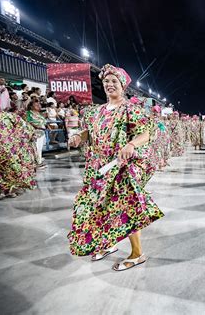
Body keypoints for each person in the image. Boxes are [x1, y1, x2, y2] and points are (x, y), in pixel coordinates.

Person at [67, 64, 164, 271]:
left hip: (120, 168)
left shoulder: (130, 109)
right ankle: (107, 243)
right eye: (106, 82)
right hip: (97, 168)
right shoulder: (98, 111)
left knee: (125, 209)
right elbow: (89, 131)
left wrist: (131, 144)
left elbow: (147, 133)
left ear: (123, 86)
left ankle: (137, 254)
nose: (109, 85)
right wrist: (78, 136)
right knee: (98, 206)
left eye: (114, 81)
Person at [26, 98, 47, 169]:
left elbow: (43, 122)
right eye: (36, 105)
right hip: (34, 132)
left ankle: (39, 161)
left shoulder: (39, 114)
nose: (38, 106)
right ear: (31, 106)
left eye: (39, 104)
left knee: (39, 148)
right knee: (36, 148)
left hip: (41, 132)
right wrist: (38, 127)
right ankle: (36, 163)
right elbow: (28, 122)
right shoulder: (29, 113)